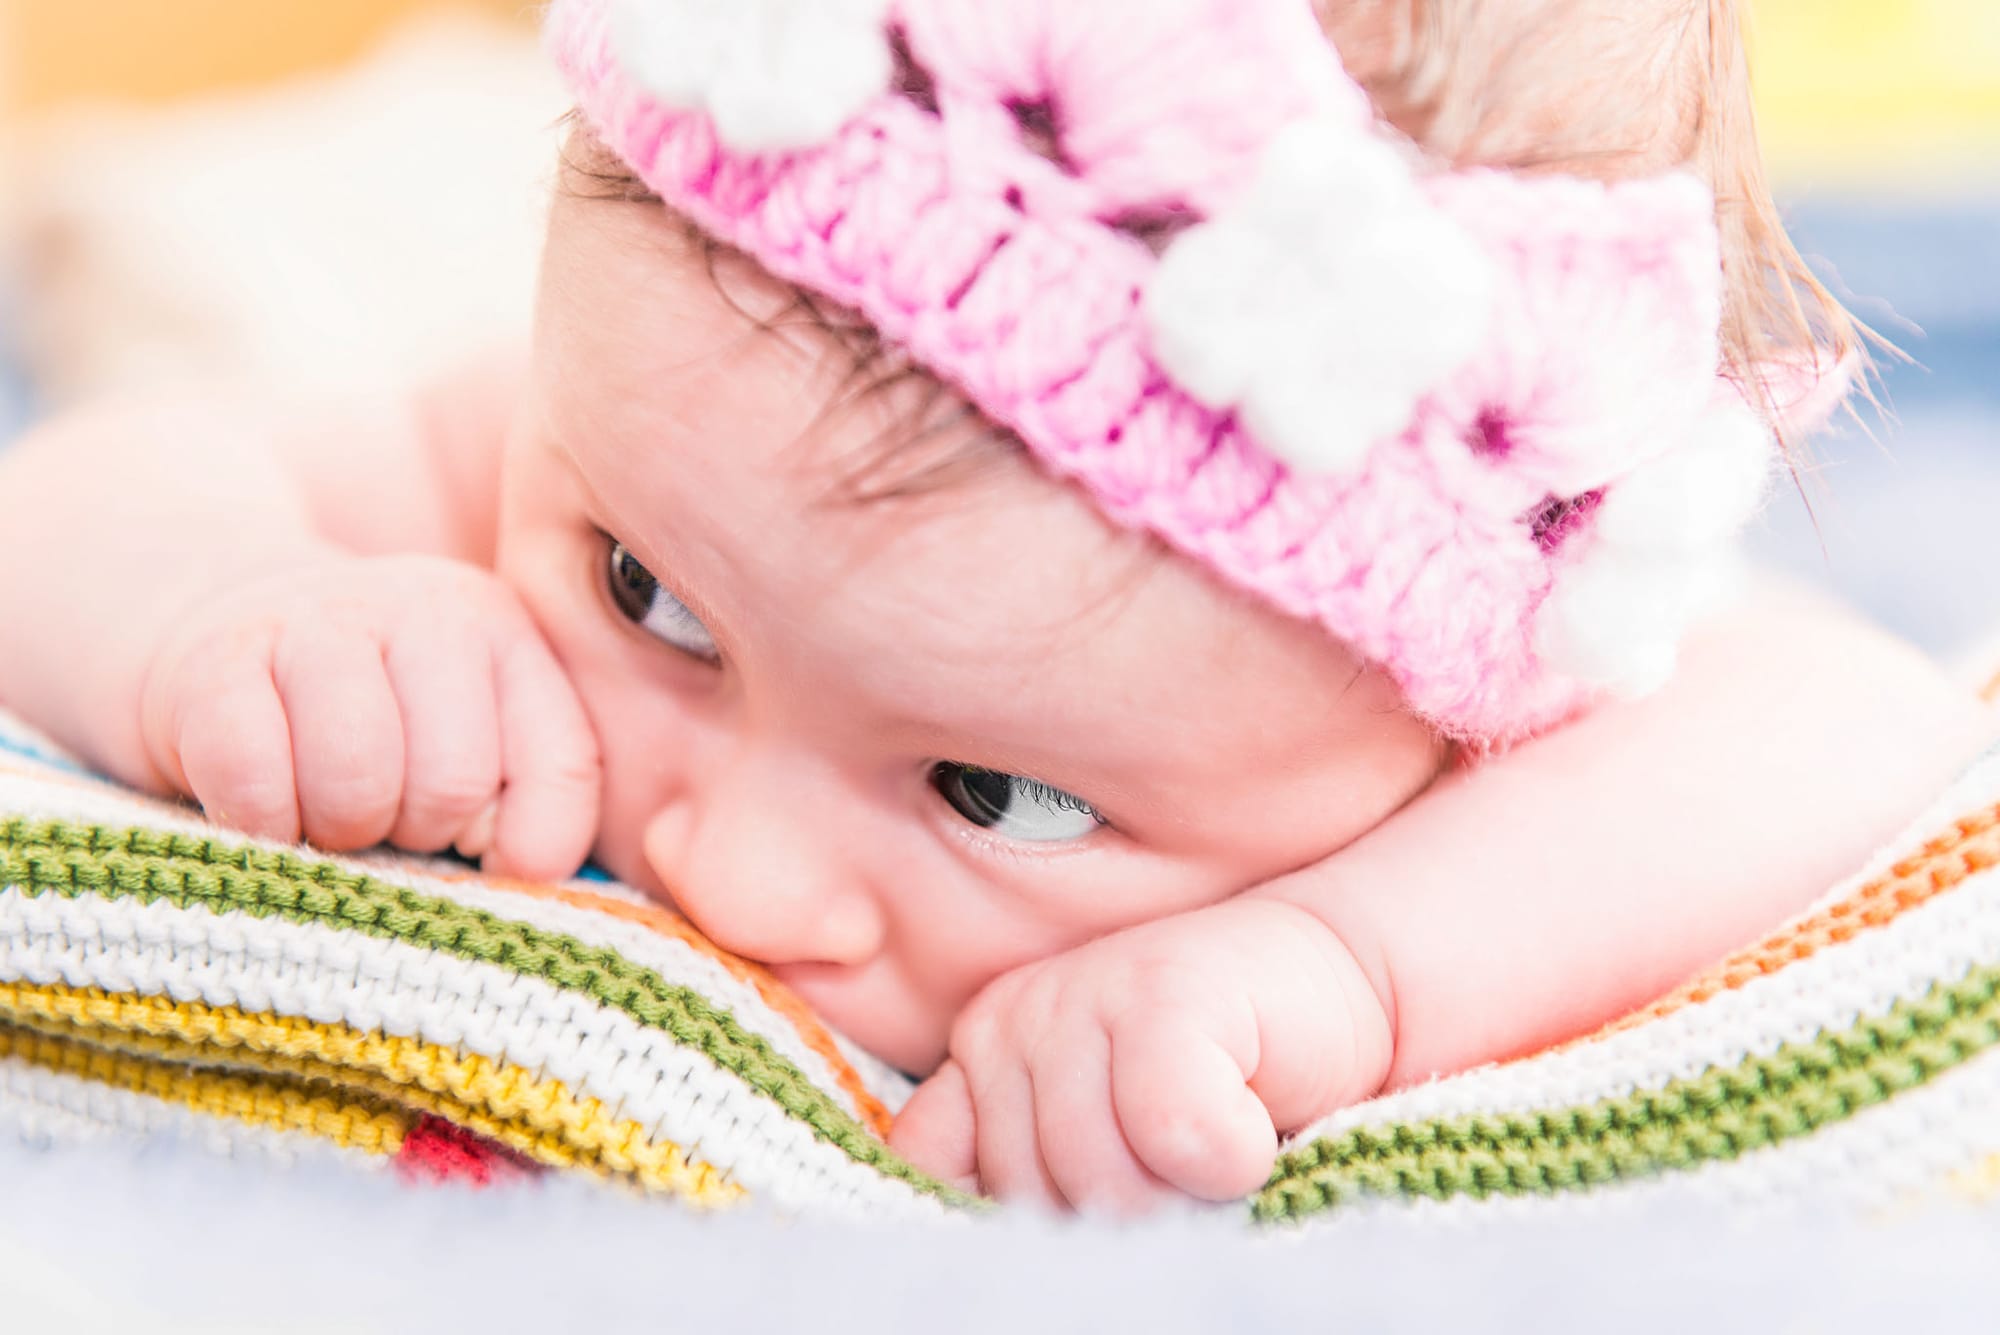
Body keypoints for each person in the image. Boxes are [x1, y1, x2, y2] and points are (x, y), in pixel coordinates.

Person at [0, 0, 1988, 1214]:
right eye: (645, 601)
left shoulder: (1464, 681)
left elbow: (1855, 730)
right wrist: (232, 618)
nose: (743, 876)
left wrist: (1342, 968)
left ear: (1455, 724)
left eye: (997, 793)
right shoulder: (625, 428)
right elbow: (66, 509)